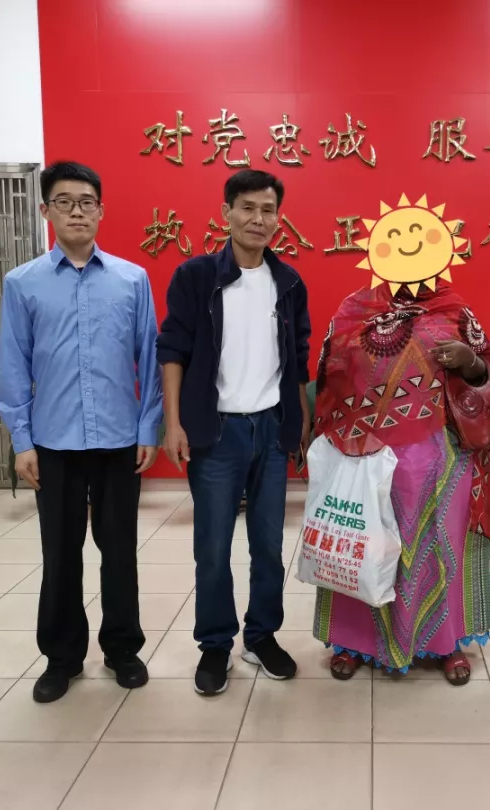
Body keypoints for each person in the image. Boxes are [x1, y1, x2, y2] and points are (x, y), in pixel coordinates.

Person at [311, 196, 490, 684]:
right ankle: (353, 642)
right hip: (364, 453)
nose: (406, 247)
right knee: (362, 541)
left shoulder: (455, 310)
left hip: (441, 456)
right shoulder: (353, 309)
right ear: (376, 248)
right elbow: (329, 372)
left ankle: (444, 644)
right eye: (393, 237)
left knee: (439, 547)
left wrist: (469, 361)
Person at [0, 161, 162, 704]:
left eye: (86, 201)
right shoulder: (22, 283)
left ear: (101, 210)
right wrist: (22, 440)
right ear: (46, 210)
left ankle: (122, 649)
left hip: (118, 441)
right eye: (64, 202)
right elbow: (14, 364)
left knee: (120, 552)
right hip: (54, 443)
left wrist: (148, 427)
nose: (76, 211)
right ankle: (62, 658)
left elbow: (149, 359)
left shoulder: (131, 279)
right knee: (61, 553)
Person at [157, 169, 311, 697]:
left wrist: (300, 421)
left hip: (270, 429)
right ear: (226, 213)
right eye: (247, 208)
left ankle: (261, 636)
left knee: (268, 545)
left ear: (278, 217)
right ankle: (216, 644)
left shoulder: (288, 282)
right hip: (216, 433)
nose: (258, 219)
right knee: (213, 546)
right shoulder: (196, 276)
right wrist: (174, 422)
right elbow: (172, 351)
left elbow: (298, 360)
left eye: (268, 210)